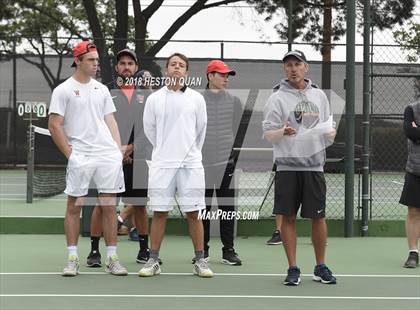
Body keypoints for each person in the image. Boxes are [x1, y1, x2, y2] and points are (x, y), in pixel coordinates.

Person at [48, 41, 127, 276]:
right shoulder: (63, 90)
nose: (96, 64)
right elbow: (54, 125)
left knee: (109, 206)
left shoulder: (101, 89)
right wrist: (71, 156)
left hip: (107, 156)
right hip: (80, 156)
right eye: (91, 59)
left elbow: (110, 120)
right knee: (74, 206)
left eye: (97, 60)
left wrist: (117, 150)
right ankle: (72, 258)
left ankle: (112, 258)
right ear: (78, 61)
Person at [262, 50, 336, 286]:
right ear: (285, 70)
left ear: (306, 68)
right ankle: (293, 268)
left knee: (318, 217)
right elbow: (268, 135)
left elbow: (329, 129)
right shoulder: (276, 98)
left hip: (314, 167)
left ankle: (320, 266)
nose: (293, 68)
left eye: (297, 64)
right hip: (287, 168)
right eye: (288, 65)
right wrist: (282, 132)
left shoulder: (320, 96)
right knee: (288, 218)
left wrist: (329, 133)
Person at [139, 53, 213, 278]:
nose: (177, 68)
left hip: (191, 165)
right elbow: (150, 130)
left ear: (187, 72)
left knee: (194, 213)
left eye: (181, 65)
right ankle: (153, 260)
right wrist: (165, 151)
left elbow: (201, 130)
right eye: (173, 65)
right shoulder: (154, 99)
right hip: (162, 165)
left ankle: (200, 261)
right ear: (166, 69)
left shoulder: (197, 99)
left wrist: (187, 153)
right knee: (160, 212)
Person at [87, 49, 154, 267]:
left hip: (139, 158)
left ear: (135, 68)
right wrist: (118, 150)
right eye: (122, 63)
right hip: (110, 158)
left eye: (130, 63)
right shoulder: (105, 93)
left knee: (139, 205)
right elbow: (100, 126)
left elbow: (150, 129)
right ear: (117, 68)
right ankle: (94, 252)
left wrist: (132, 148)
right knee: (104, 204)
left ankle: (144, 251)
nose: (126, 66)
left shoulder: (146, 97)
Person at [195, 59, 243, 265]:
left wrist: (232, 159)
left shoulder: (234, 102)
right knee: (202, 208)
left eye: (227, 76)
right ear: (210, 76)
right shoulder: (196, 101)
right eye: (222, 75)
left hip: (226, 165)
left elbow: (238, 133)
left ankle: (228, 251)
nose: (225, 79)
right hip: (202, 165)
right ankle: (202, 250)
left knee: (227, 208)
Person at [399, 99, 420, 268]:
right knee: (413, 211)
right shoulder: (411, 109)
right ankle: (413, 253)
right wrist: (415, 130)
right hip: (415, 169)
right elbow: (411, 133)